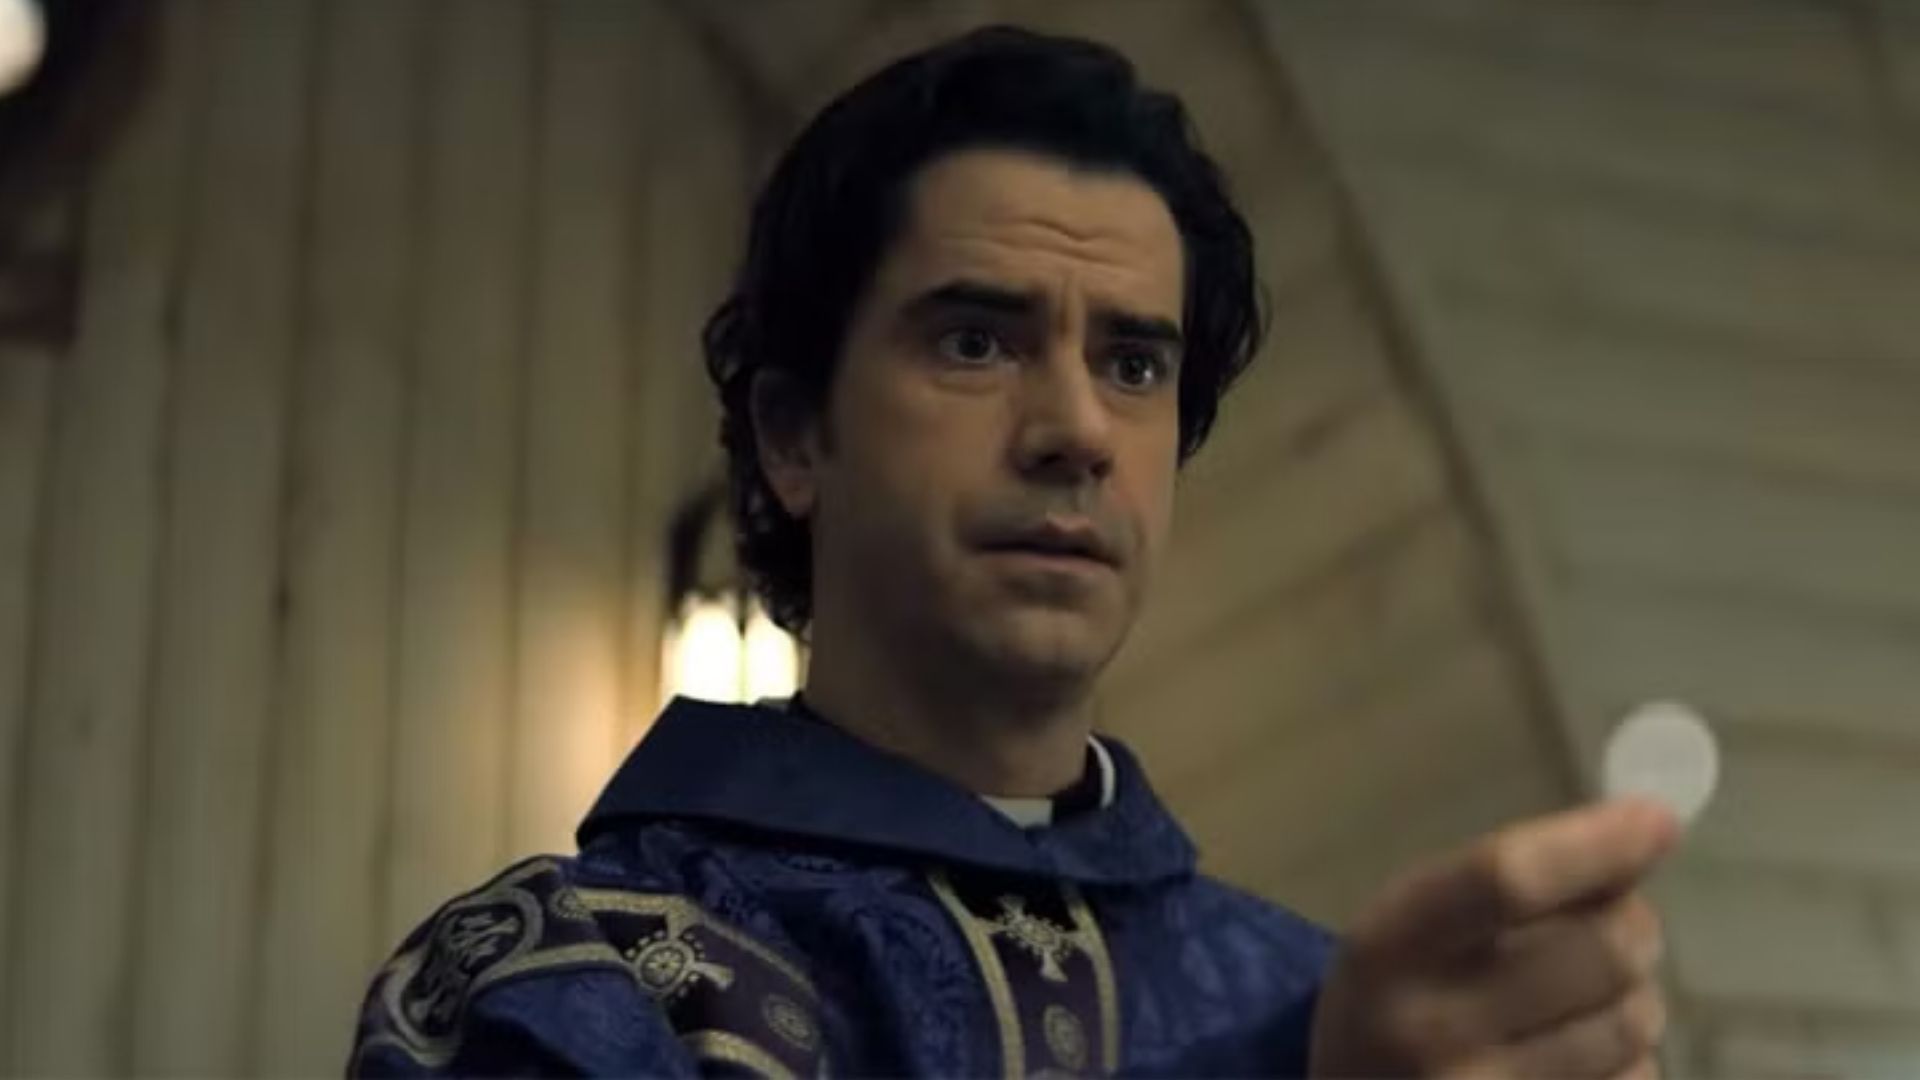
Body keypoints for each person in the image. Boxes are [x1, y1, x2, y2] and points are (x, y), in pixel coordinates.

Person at [350, 25, 1678, 1078]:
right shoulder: (568, 987)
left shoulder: (1328, 1005)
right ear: (795, 438)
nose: (1077, 431)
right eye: (977, 341)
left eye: (1134, 363)